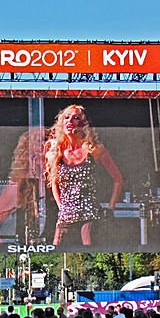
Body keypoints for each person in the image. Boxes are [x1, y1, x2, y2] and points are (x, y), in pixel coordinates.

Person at [44, 104, 123, 246]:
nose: (70, 121)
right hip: (66, 217)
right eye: (66, 118)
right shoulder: (57, 151)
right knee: (58, 247)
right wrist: (62, 206)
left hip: (89, 214)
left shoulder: (94, 149)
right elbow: (54, 183)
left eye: (75, 118)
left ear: (83, 123)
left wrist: (111, 207)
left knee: (88, 248)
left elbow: (117, 179)